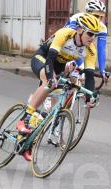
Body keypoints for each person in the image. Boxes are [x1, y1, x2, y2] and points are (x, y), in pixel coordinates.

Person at [15, 13, 102, 161]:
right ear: (80, 30)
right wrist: (50, 78)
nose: (92, 38)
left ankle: (27, 142)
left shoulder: (90, 49)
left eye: (96, 35)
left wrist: (89, 97)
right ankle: (25, 118)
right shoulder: (65, 34)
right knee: (49, 84)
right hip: (43, 58)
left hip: (60, 67)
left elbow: (89, 75)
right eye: (90, 34)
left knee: (53, 106)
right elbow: (50, 58)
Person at [66, 0, 109, 79]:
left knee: (87, 74)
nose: (98, 19)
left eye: (101, 17)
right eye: (96, 16)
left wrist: (102, 70)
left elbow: (101, 49)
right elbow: (71, 41)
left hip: (84, 46)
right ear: (88, 13)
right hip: (69, 45)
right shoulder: (76, 18)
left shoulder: (102, 28)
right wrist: (79, 63)